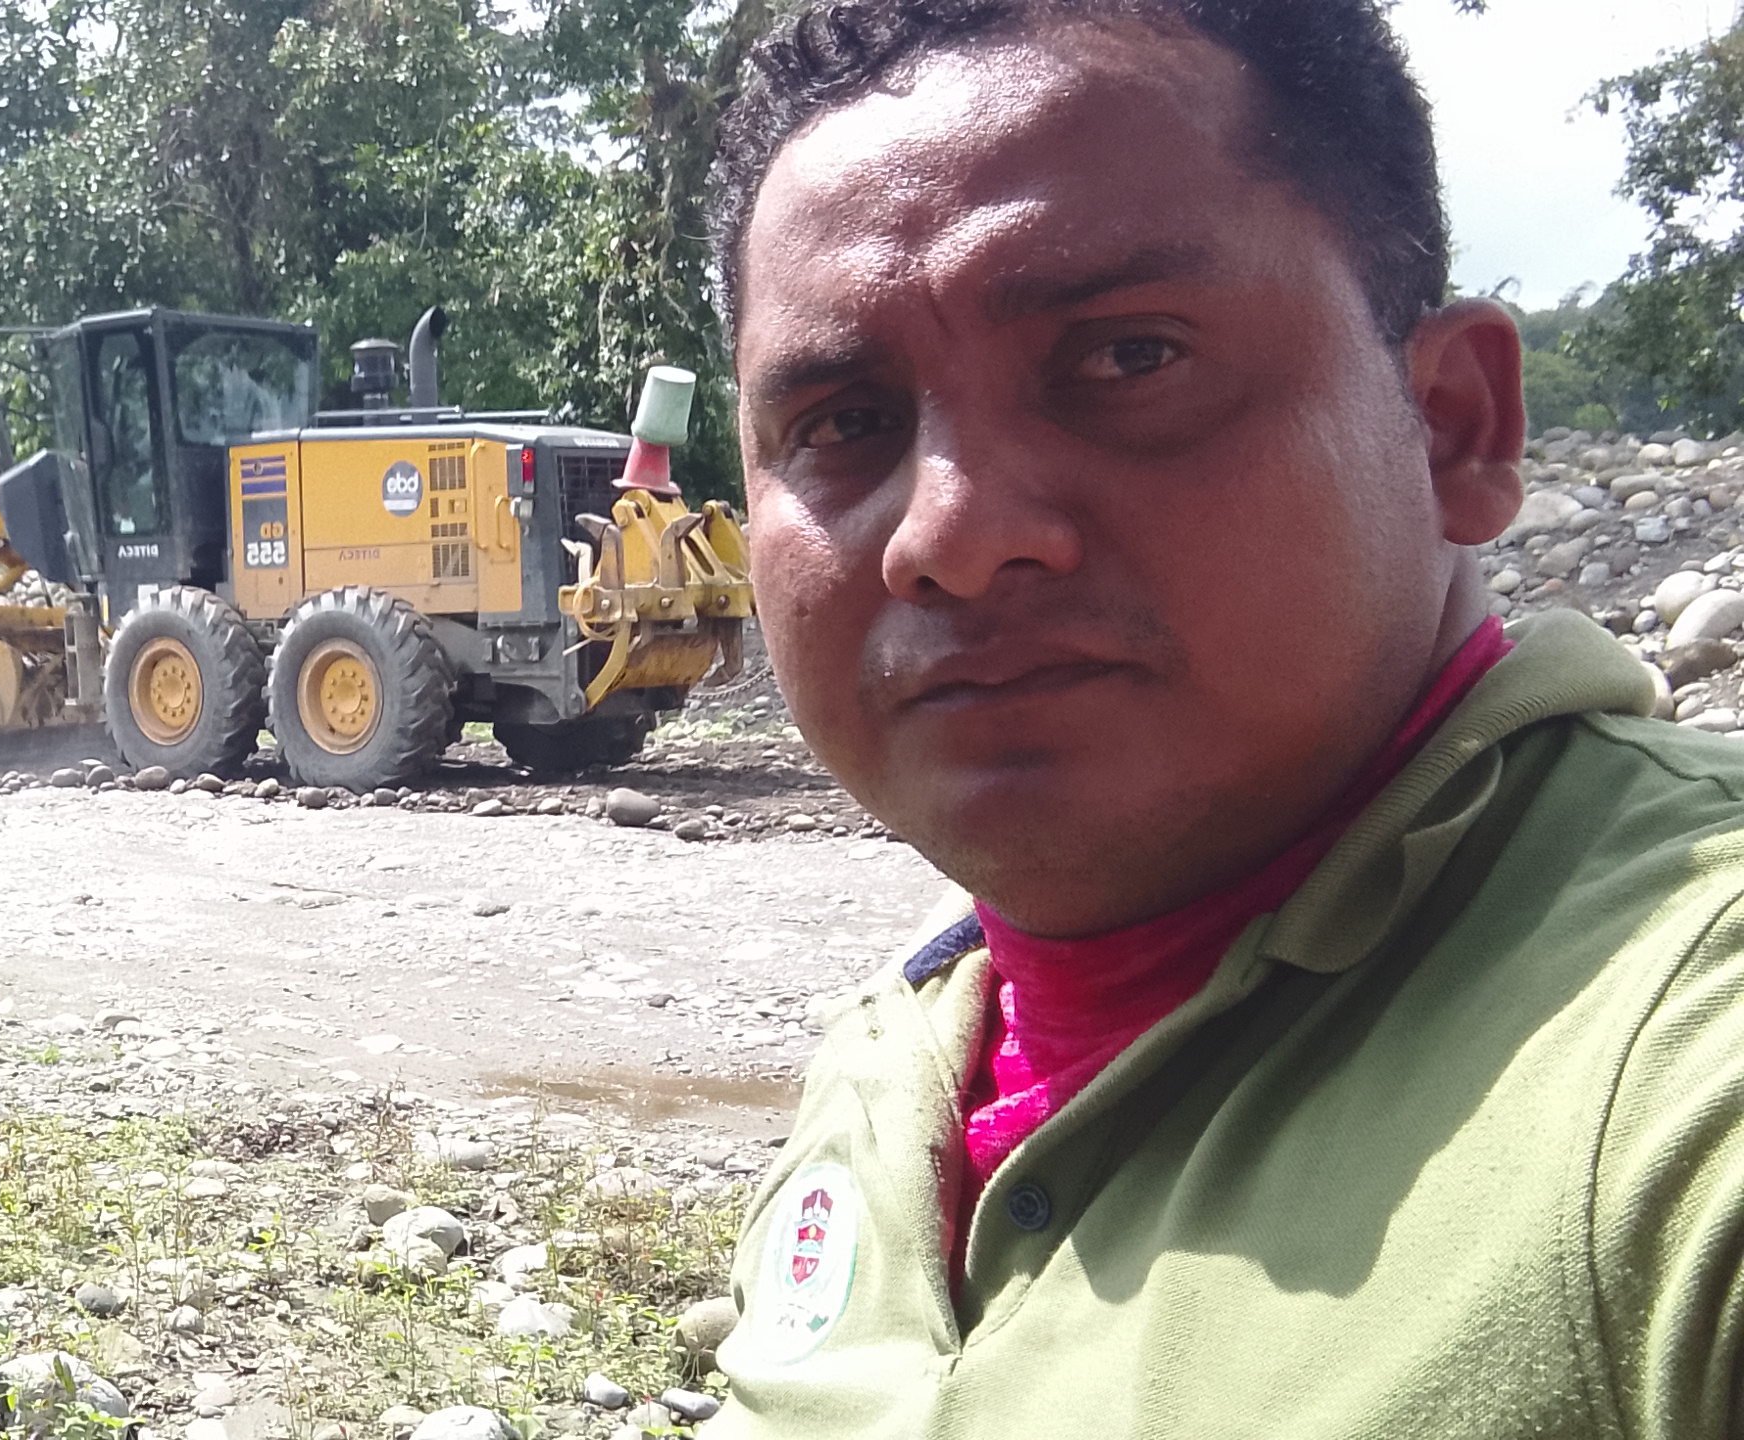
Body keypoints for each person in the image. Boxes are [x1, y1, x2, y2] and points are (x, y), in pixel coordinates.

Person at [703, 1, 1744, 1434]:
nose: (953, 535)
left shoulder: (1676, 1056)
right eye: (842, 423)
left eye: (1128, 358)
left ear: (1452, 425)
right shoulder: (899, 1064)